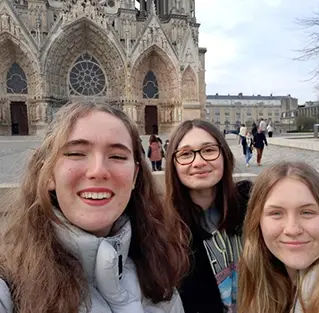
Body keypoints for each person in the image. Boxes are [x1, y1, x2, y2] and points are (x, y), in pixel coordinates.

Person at [0, 102, 188, 313]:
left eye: (117, 156)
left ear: (135, 176)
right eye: (76, 153)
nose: (98, 171)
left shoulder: (158, 272)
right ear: (49, 173)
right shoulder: (8, 285)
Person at [238, 161, 319, 313]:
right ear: (257, 222)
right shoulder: (261, 278)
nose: (292, 229)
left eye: (307, 212)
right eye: (276, 213)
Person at [164, 119, 253, 313]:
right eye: (186, 154)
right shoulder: (160, 228)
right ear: (173, 164)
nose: (198, 162)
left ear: (224, 155)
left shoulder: (254, 208)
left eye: (209, 150)